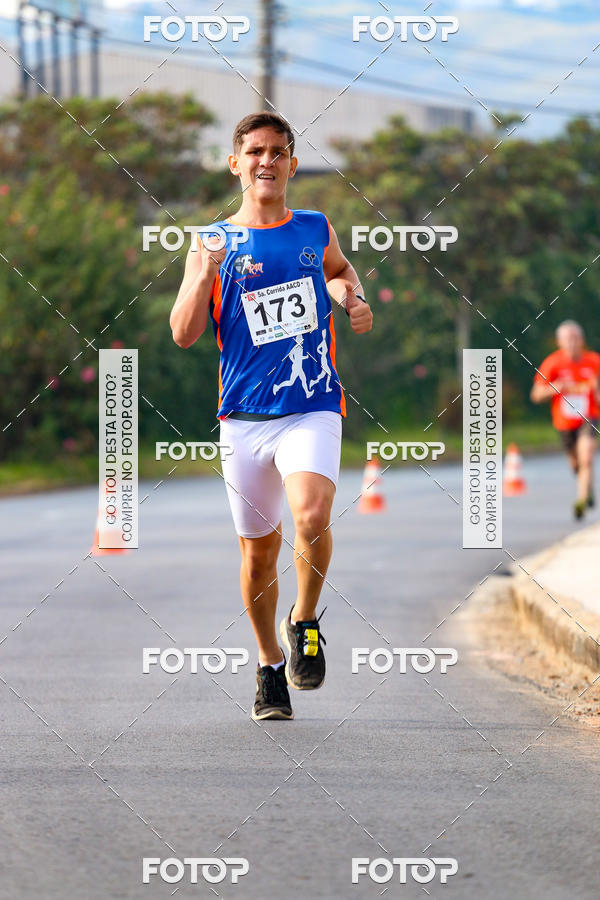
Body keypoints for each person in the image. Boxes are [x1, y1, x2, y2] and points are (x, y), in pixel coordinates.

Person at [169, 112, 373, 720]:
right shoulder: (210, 241)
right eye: (255, 151)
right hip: (243, 418)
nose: (267, 161)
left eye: (278, 152)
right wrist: (201, 276)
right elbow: (183, 334)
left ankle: (305, 619)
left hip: (311, 402)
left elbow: (337, 273)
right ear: (236, 163)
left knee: (312, 514)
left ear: (290, 163)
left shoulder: (314, 227)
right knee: (259, 554)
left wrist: (351, 297)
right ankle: (268, 667)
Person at [531, 320, 600, 519]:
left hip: (588, 417)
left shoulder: (594, 361)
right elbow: (536, 395)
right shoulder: (553, 363)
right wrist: (554, 387)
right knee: (575, 462)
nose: (572, 343)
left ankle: (581, 500)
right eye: (568, 339)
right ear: (559, 342)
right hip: (564, 422)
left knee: (586, 456)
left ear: (582, 340)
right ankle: (587, 488)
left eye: (576, 338)